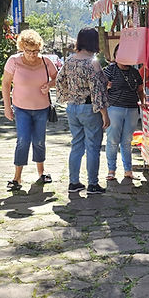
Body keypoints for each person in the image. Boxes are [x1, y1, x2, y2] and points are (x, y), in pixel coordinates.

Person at [54, 27, 110, 194]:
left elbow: (59, 80)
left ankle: (73, 182)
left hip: (72, 107)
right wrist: (104, 114)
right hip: (89, 108)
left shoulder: (70, 61)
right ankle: (93, 184)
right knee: (93, 146)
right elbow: (97, 90)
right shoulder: (92, 63)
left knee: (77, 145)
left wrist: (67, 95)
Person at [2, 29, 58, 190]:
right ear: (21, 48)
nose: (33, 54)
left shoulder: (46, 62)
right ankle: (17, 178)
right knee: (23, 140)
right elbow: (5, 84)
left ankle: (41, 173)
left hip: (41, 108)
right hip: (21, 108)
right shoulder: (14, 61)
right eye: (28, 51)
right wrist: (7, 106)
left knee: (39, 141)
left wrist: (49, 85)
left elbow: (58, 77)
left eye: (36, 51)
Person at [103, 58, 145, 181]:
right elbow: (101, 88)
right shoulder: (110, 70)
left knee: (127, 141)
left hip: (132, 109)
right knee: (112, 140)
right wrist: (107, 87)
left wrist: (143, 102)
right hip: (114, 108)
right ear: (116, 56)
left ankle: (128, 170)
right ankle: (111, 170)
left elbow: (140, 90)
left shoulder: (134, 72)